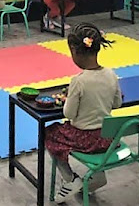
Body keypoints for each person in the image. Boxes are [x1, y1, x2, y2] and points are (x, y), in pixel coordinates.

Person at [45, 23, 122, 203]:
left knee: (48, 134)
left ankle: (70, 178)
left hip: (84, 139)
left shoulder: (78, 81)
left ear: (75, 51)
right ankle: (97, 176)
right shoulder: (111, 75)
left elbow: (69, 114)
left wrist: (69, 100)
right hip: (108, 138)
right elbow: (117, 104)